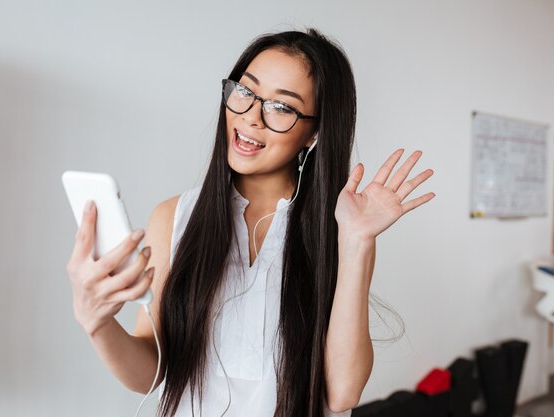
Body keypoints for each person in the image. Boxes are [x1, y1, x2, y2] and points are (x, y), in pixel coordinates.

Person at [65, 28, 435, 417]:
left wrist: (357, 240)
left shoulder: (341, 229)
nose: (251, 117)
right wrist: (98, 324)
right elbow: (149, 374)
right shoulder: (174, 216)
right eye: (245, 91)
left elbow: (342, 393)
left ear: (315, 132)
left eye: (282, 107)